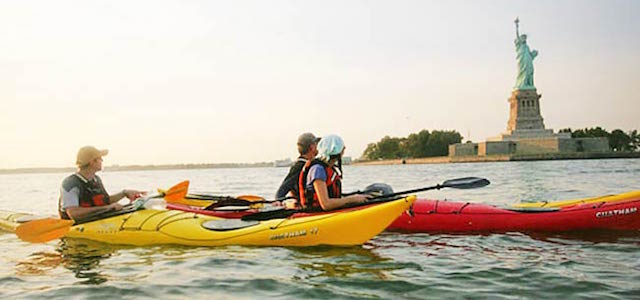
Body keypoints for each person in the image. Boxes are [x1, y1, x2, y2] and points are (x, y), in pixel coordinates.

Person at [58, 146, 145, 221]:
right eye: (100, 158)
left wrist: (124, 193)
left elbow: (105, 201)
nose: (102, 160)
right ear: (92, 162)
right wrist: (108, 208)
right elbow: (73, 213)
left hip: (97, 220)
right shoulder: (70, 183)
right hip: (78, 225)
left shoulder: (96, 179)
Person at [298, 134, 368, 211]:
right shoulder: (318, 170)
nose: (344, 148)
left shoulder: (328, 167)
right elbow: (326, 204)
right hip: (317, 213)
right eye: (341, 146)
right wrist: (352, 199)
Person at [274, 132, 320, 199]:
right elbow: (281, 192)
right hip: (305, 206)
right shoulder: (299, 167)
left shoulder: (310, 165)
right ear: (312, 147)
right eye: (317, 144)